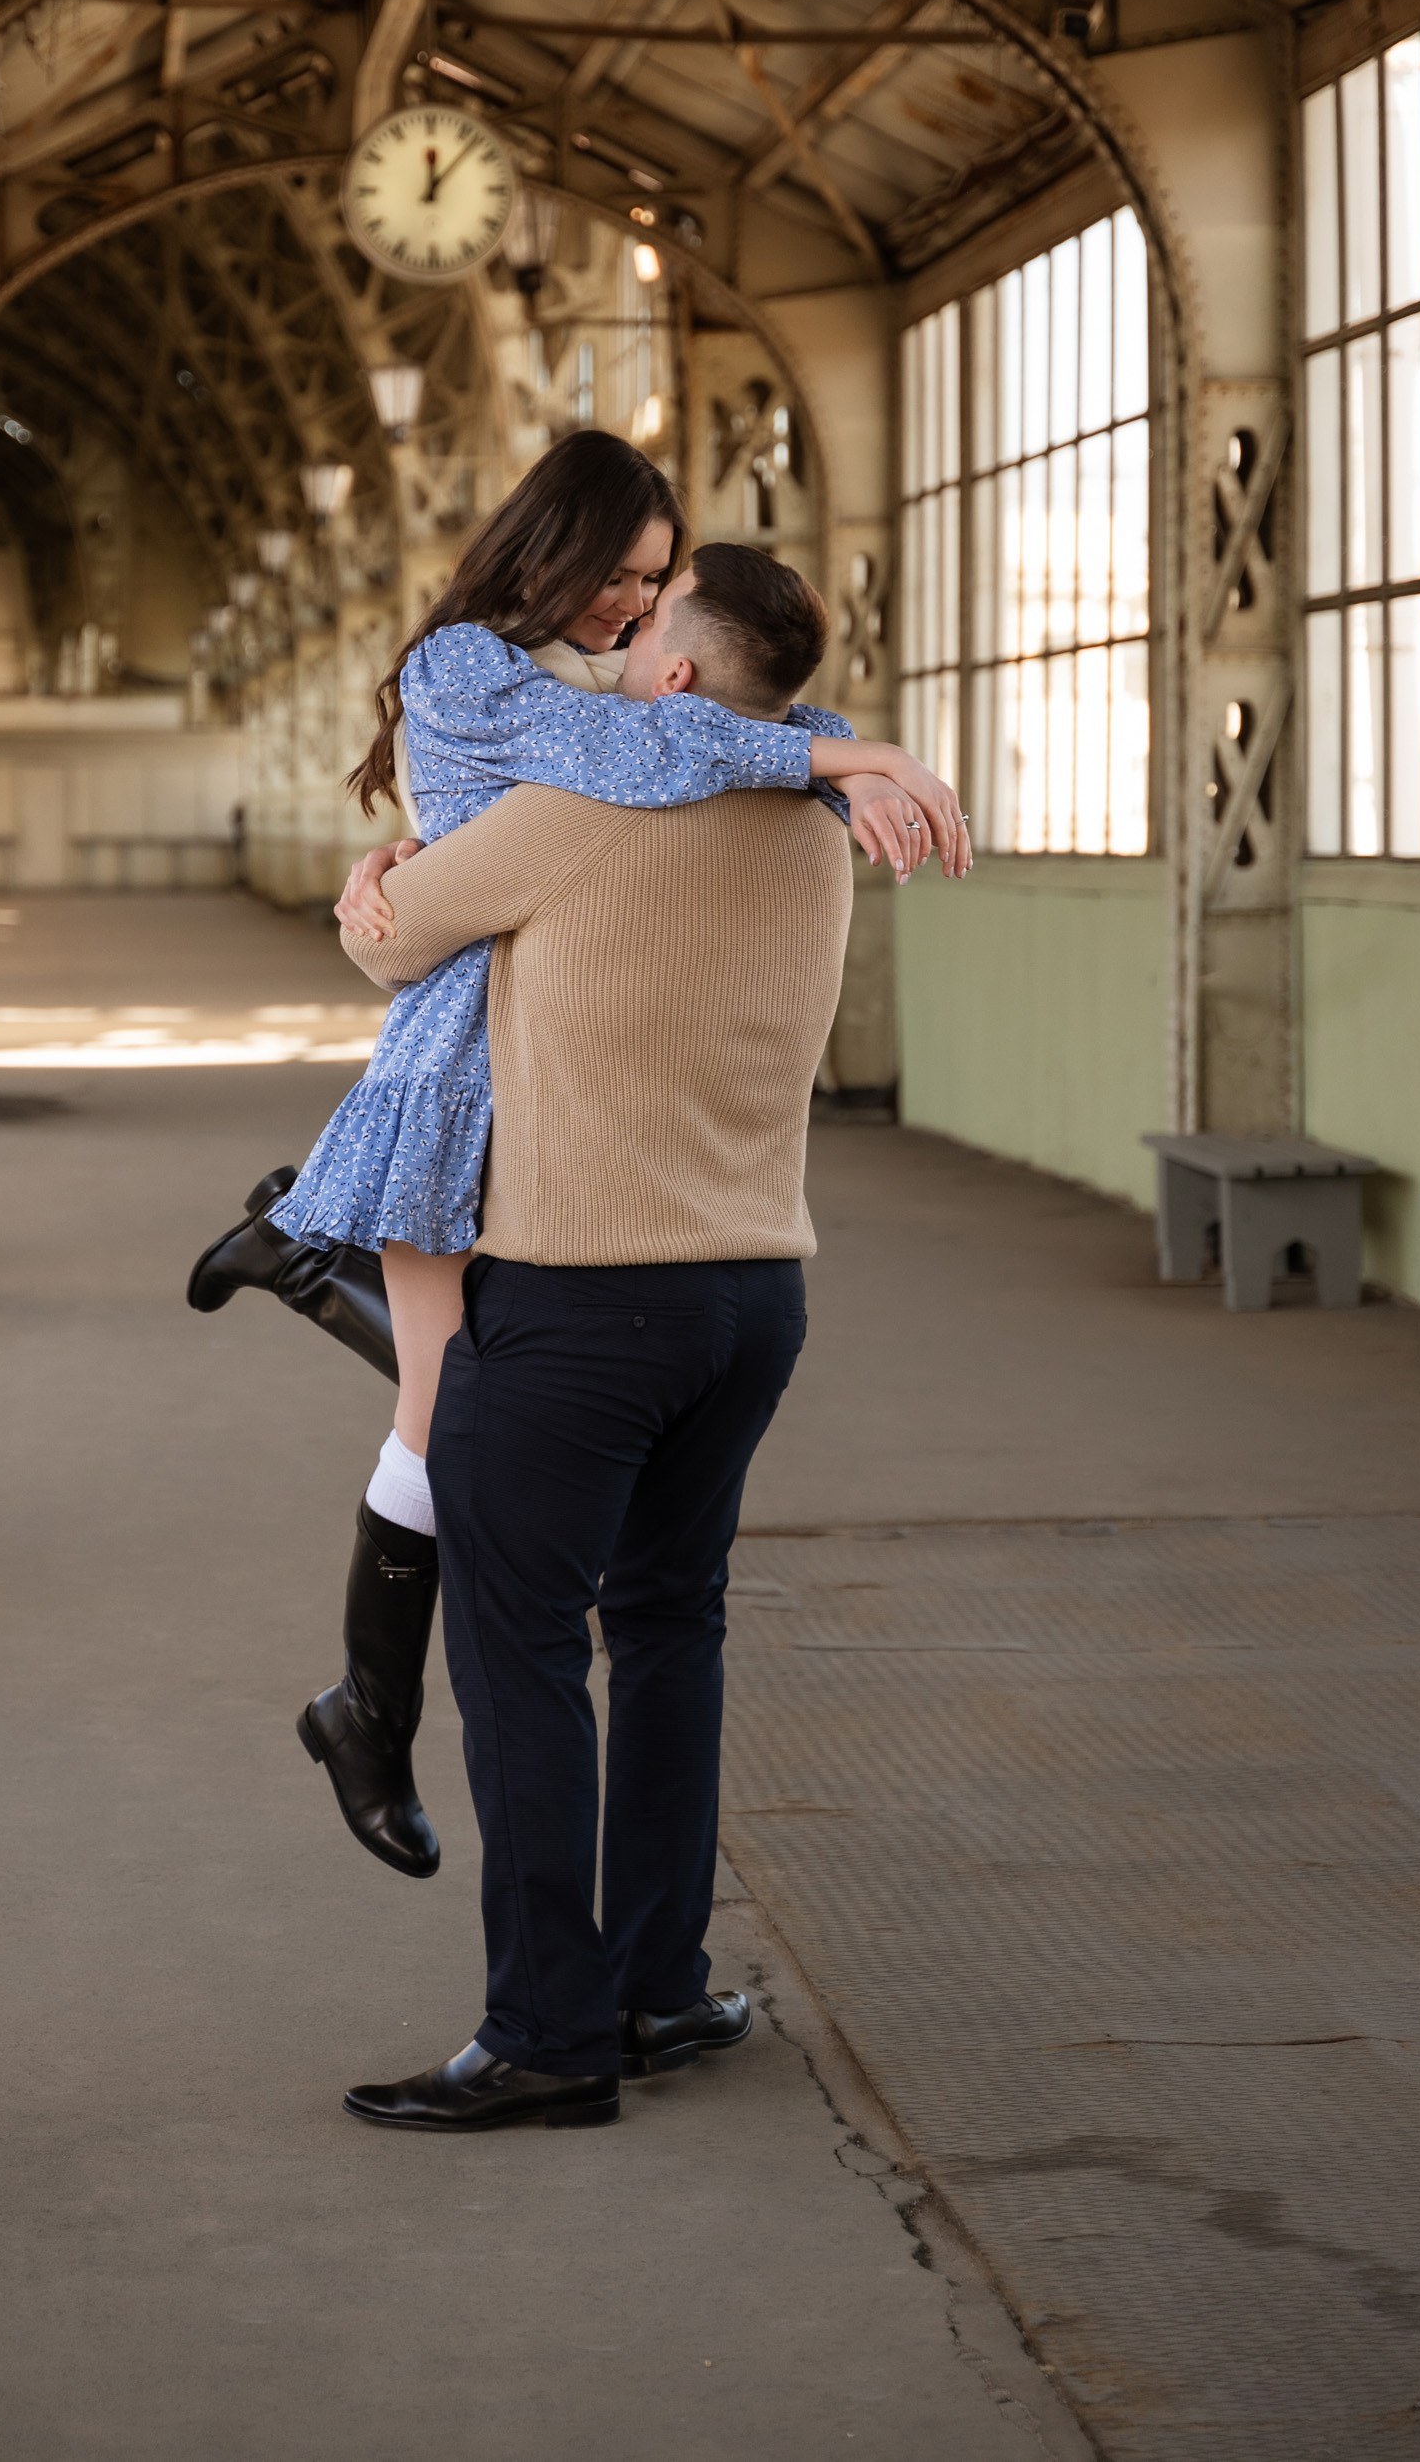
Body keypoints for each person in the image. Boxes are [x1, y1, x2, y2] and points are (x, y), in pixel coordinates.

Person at [187, 435, 969, 1877]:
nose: (636, 604)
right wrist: (847, 759)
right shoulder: (468, 667)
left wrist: (843, 758)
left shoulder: (602, 676)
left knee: (471, 1401)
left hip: (539, 1062)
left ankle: (296, 1267)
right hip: (460, 1059)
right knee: (446, 1416)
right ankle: (366, 1713)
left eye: (657, 583)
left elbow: (716, 708)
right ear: (550, 547)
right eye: (621, 573)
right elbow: (643, 753)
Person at [335, 548, 863, 2127]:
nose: (621, 647)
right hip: (752, 1295)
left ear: (681, 678)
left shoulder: (575, 810)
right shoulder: (818, 829)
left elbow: (391, 938)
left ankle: (549, 2037)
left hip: (577, 1297)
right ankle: (657, 1986)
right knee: (672, 1631)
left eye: (648, 628)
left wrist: (374, 876)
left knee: (520, 1659)